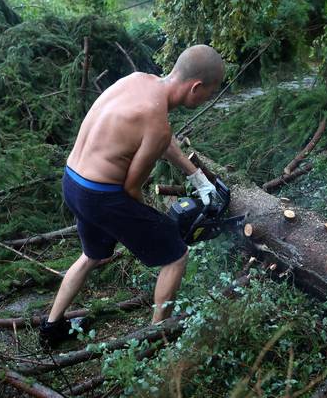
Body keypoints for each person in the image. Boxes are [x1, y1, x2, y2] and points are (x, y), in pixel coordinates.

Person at [39, 45, 224, 348]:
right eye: (209, 94)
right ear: (196, 87)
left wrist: (197, 176)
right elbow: (130, 189)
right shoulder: (158, 123)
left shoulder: (138, 81)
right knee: (176, 254)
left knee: (93, 255)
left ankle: (51, 327)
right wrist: (150, 222)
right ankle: (155, 338)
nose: (206, 100)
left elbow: (162, 140)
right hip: (102, 195)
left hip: (73, 181)